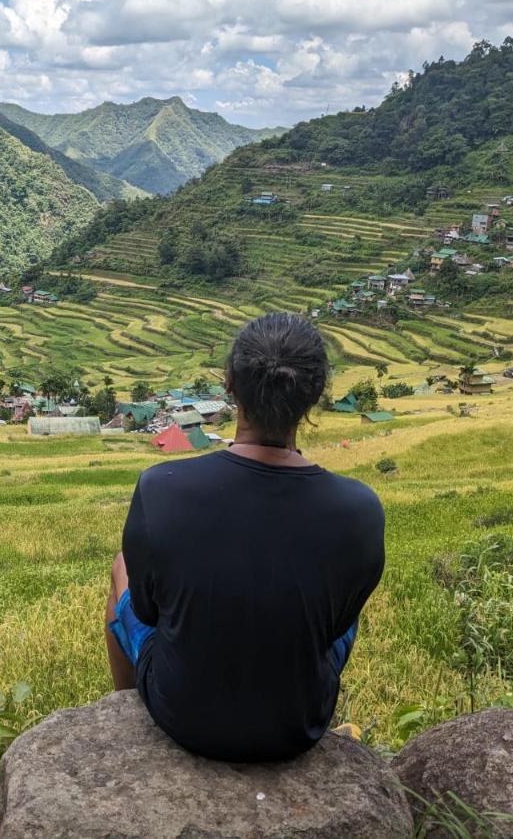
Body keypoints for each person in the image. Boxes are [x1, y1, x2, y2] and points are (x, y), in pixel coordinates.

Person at [104, 312, 385, 762]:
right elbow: (334, 627)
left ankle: (122, 709)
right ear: (315, 394)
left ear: (230, 384)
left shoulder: (162, 487)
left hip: (183, 716)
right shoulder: (360, 508)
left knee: (122, 566)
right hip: (298, 726)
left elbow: (146, 610)